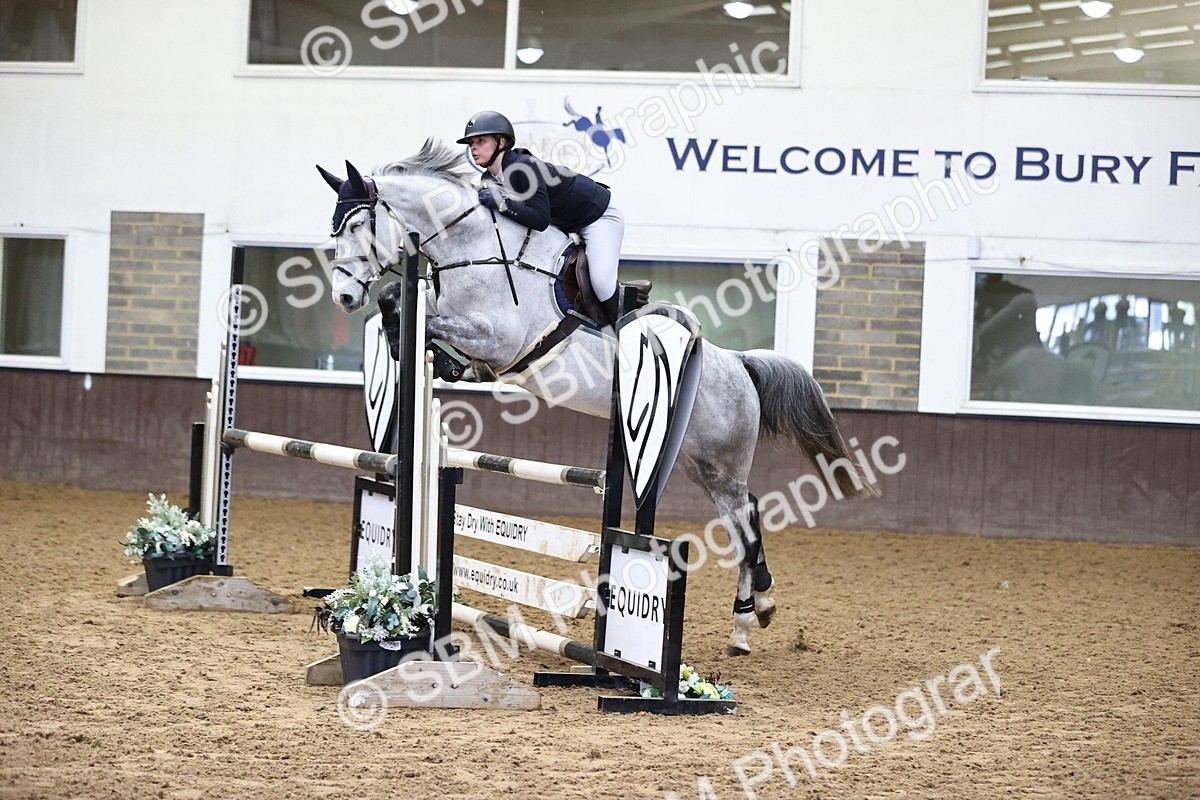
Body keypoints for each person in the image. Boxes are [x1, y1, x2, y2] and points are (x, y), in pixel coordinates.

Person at [456, 110, 627, 324]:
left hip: (598, 216)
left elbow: (539, 220)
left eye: (481, 141)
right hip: (568, 223)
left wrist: (501, 203)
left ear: (501, 142)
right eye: (471, 143)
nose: (473, 148)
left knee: (601, 282)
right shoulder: (489, 178)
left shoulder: (523, 167)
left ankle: (624, 332)